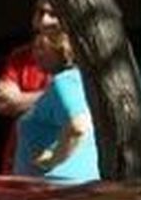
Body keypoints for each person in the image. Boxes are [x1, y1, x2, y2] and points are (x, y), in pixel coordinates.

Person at [13, 28, 99, 184]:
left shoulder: (65, 82)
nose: (35, 54)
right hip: (62, 188)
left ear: (62, 50)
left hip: (58, 189)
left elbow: (79, 126)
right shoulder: (79, 81)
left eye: (41, 48)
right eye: (34, 48)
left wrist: (52, 160)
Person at [0, 0, 62, 171]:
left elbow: (74, 104)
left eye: (53, 14)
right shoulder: (20, 56)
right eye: (40, 13)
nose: (45, 20)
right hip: (19, 156)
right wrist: (51, 96)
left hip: (59, 157)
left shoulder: (77, 59)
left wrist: (20, 99)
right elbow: (2, 104)